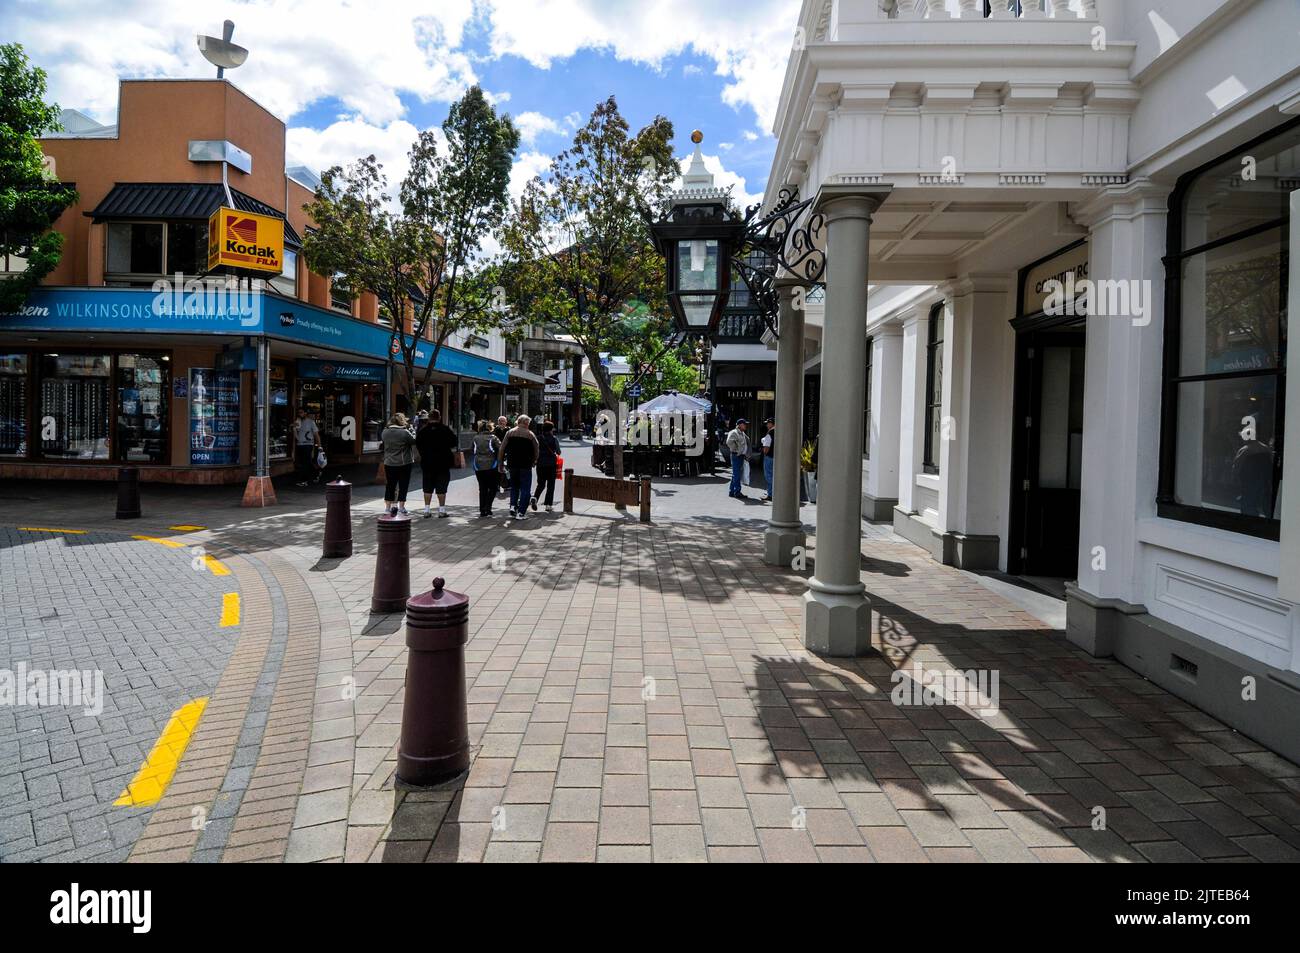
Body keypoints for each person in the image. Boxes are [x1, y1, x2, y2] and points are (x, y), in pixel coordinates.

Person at [416, 409, 458, 518]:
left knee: (427, 487)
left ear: (429, 418)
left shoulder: (423, 431)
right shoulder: (445, 429)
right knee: (441, 487)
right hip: (443, 463)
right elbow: (454, 442)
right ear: (439, 417)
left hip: (427, 463)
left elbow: (418, 445)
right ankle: (442, 510)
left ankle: (426, 510)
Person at [498, 414, 539, 520]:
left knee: (514, 486)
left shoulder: (510, 432)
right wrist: (534, 460)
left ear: (518, 421)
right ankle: (521, 513)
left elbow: (502, 449)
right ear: (527, 423)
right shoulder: (530, 434)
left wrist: (500, 463)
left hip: (512, 464)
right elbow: (536, 449)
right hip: (525, 464)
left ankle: (512, 506)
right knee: (525, 488)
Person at [381, 412, 416, 515]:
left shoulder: (385, 432)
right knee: (403, 485)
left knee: (390, 485)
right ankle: (401, 507)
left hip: (389, 462)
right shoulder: (404, 432)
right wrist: (413, 430)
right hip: (404, 463)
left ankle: (388, 508)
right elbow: (414, 441)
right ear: (402, 421)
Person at [470, 420, 500, 517]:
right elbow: (500, 448)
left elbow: (472, 450)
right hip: (492, 465)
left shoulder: (475, 438)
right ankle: (488, 506)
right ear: (490, 428)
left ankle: (482, 509)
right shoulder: (493, 438)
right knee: (493, 487)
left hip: (478, 465)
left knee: (482, 488)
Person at [531, 420, 561, 512]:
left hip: (540, 464)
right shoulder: (554, 438)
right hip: (551, 465)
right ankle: (548, 505)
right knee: (551, 484)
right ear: (551, 429)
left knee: (541, 484)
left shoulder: (538, 438)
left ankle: (535, 498)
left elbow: (534, 450)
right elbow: (558, 451)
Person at [293, 409, 320, 487]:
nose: (299, 414)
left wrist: (319, 445)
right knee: (305, 462)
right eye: (299, 413)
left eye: (301, 412)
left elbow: (316, 434)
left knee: (305, 463)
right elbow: (294, 431)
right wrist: (293, 427)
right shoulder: (298, 422)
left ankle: (304, 481)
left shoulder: (311, 422)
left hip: (308, 444)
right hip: (299, 444)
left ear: (305, 413)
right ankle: (317, 473)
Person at [725, 418, 750, 499]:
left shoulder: (742, 433)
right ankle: (737, 492)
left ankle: (732, 491)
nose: (746, 425)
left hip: (740, 455)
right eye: (744, 424)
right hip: (736, 455)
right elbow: (729, 442)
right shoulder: (734, 432)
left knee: (736, 474)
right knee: (737, 474)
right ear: (739, 425)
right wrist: (736, 450)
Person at [494, 415, 510, 494]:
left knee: (506, 469)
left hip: (506, 452)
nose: (502, 423)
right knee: (497, 469)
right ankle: (497, 485)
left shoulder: (509, 430)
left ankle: (506, 485)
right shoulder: (495, 430)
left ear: (506, 422)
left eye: (503, 421)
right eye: (500, 421)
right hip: (496, 452)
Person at [760, 418, 775, 503]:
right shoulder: (779, 431)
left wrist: (765, 453)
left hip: (769, 456)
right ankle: (772, 492)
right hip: (776, 456)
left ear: (771, 424)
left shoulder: (770, 432)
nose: (766, 425)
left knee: (768, 475)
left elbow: (767, 446)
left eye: (767, 423)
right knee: (773, 475)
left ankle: (770, 494)